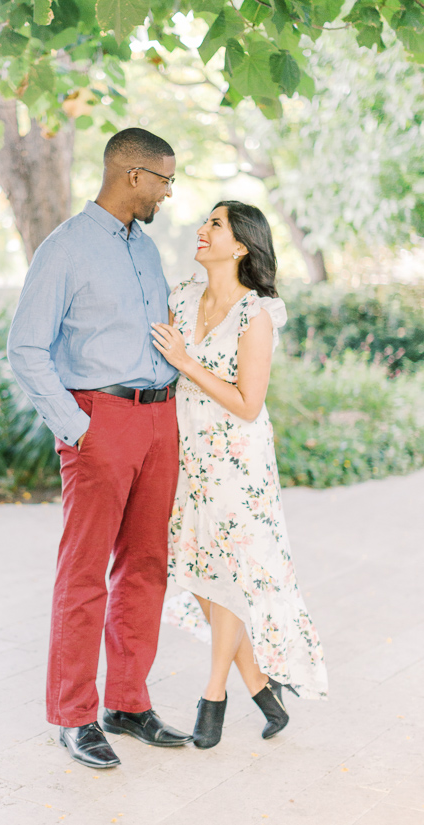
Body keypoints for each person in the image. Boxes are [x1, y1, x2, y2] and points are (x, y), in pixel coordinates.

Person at [8, 128, 193, 769]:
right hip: (99, 419)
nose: (169, 193)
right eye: (165, 180)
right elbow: (26, 347)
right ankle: (75, 715)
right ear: (132, 174)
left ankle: (129, 703)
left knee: (146, 565)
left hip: (158, 418)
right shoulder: (65, 248)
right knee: (85, 573)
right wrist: (75, 425)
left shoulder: (146, 250)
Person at [151, 201, 328, 749]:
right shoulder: (180, 296)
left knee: (226, 570)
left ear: (242, 245)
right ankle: (257, 681)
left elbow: (249, 404)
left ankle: (214, 694)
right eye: (205, 222)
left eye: (216, 225)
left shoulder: (257, 314)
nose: (201, 231)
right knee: (193, 563)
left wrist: (187, 362)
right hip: (187, 454)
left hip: (237, 460)